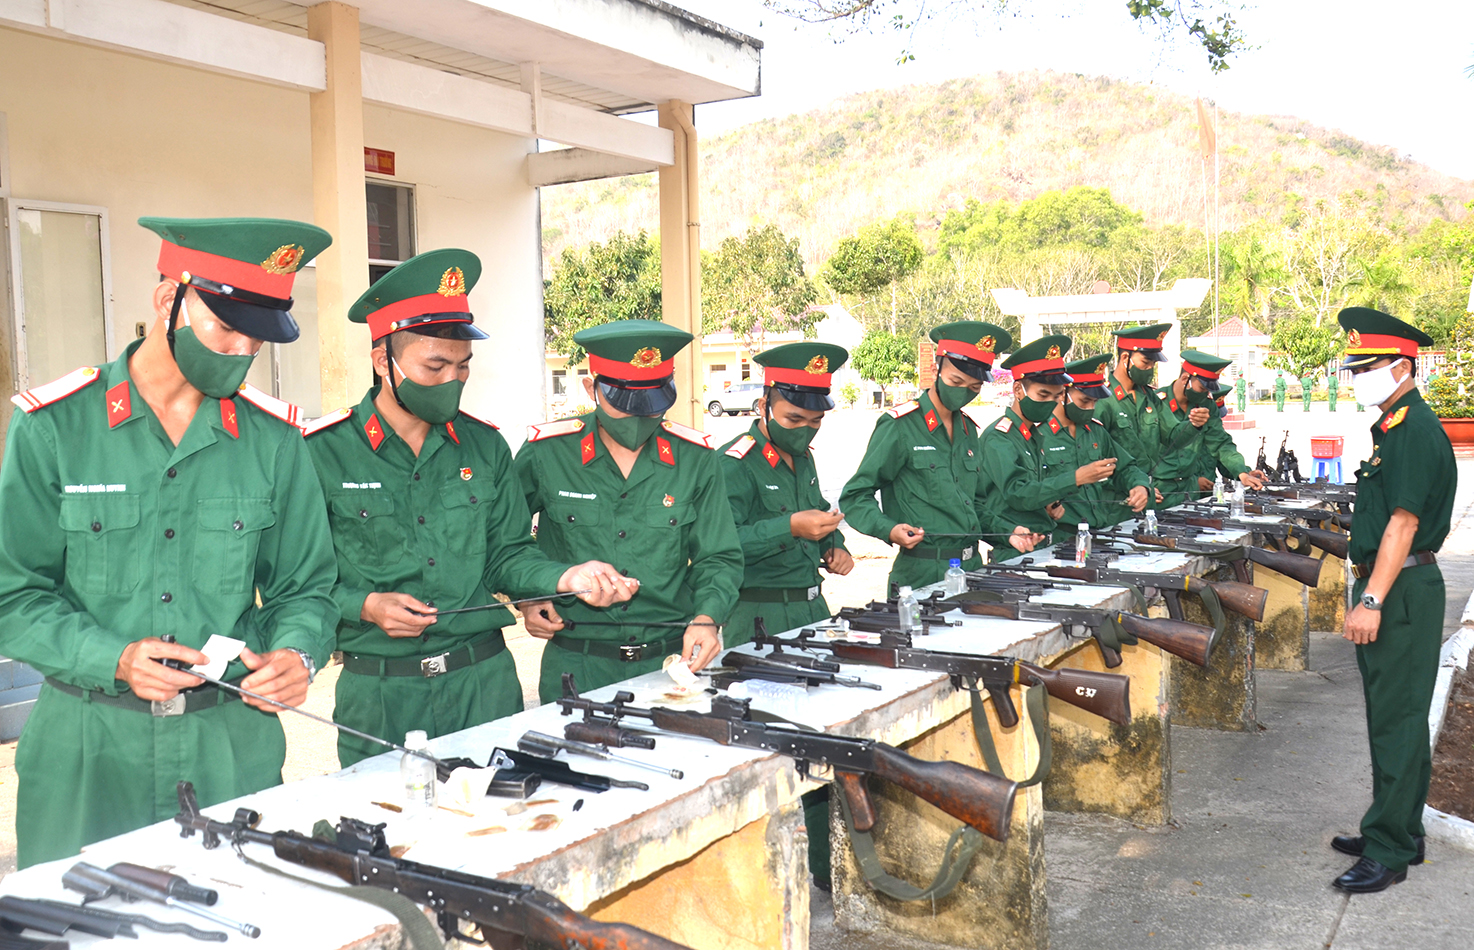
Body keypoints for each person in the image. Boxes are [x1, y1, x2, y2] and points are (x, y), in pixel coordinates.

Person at [0, 217, 340, 868]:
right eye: (225, 327)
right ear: (169, 301)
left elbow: (307, 590)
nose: (241, 350)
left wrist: (298, 651)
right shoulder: (55, 428)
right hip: (87, 752)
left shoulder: (273, 441)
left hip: (228, 746)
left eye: (258, 338)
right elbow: (13, 597)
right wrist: (112, 657)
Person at [303, 250, 637, 766]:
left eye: (462, 367)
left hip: (484, 685)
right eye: (434, 366)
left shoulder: (483, 447)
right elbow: (300, 578)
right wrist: (365, 606)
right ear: (382, 361)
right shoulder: (321, 451)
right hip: (382, 696)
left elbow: (506, 554)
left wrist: (567, 576)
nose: (451, 381)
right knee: (389, 838)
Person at [516, 320, 742, 701]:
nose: (639, 419)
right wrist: (531, 593)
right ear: (592, 388)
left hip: (668, 664)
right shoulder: (546, 453)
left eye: (652, 404)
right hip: (577, 665)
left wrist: (707, 617)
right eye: (625, 404)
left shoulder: (696, 459)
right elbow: (504, 540)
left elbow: (718, 556)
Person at [1330, 306, 1455, 893]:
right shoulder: (1395, 426)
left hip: (1400, 588)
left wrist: (1371, 600)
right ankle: (1397, 827)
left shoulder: (1413, 430)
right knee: (1390, 716)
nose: (1357, 376)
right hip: (1395, 583)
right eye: (1355, 366)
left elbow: (1403, 525)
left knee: (1398, 722)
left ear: (1403, 366)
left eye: (1368, 366)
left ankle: (1391, 851)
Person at [840, 321, 1040, 591]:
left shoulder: (968, 429)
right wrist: (888, 528)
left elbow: (973, 505)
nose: (963, 392)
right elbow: (855, 495)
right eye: (956, 381)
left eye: (973, 387)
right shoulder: (900, 426)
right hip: (923, 572)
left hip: (971, 568)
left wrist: (1008, 533)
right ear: (935, 369)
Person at [718, 342, 853, 648]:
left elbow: (817, 510)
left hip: (813, 609)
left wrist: (835, 547)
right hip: (760, 618)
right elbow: (721, 544)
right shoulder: (734, 463)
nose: (805, 429)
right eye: (793, 419)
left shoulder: (803, 457)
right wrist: (789, 528)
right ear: (764, 405)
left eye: (815, 420)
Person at [1036, 354, 1151, 529]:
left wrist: (1140, 486)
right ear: (1062, 394)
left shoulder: (1095, 431)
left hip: (1099, 530)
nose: (1091, 408)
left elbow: (1125, 467)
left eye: (1095, 402)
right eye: (1085, 401)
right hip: (1060, 536)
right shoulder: (1039, 434)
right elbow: (1026, 490)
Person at [1150, 350, 1265, 505]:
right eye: (1203, 389)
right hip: (1159, 490)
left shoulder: (1206, 406)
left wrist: (1241, 472)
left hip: (1192, 491)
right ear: (1185, 379)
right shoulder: (1155, 403)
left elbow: (1221, 443)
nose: (1206, 395)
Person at [1092, 323, 1174, 479]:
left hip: (1149, 488)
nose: (1150, 368)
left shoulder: (1149, 396)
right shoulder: (1104, 400)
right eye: (1145, 362)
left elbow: (1173, 433)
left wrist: (1195, 424)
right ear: (1125, 358)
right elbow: (1097, 459)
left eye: (1153, 364)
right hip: (1121, 492)